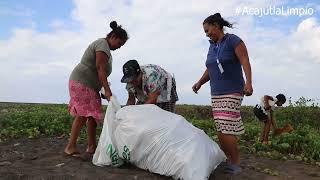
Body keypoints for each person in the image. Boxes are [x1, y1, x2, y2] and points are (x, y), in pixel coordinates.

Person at [192, 13, 253, 174]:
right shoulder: (212, 46)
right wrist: (199, 82)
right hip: (216, 92)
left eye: (207, 30)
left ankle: (235, 162)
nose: (206, 34)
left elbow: (245, 60)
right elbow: (211, 68)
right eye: (205, 32)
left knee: (226, 127)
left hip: (233, 90)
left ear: (216, 25)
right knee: (221, 127)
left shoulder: (233, 40)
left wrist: (249, 82)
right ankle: (229, 159)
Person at [64, 21, 128, 160]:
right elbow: (100, 68)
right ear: (114, 37)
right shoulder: (102, 45)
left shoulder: (107, 50)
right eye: (120, 43)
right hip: (82, 82)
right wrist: (107, 89)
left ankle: (92, 146)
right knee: (82, 113)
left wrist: (103, 88)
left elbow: (101, 72)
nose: (119, 47)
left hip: (91, 86)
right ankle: (70, 146)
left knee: (92, 117)